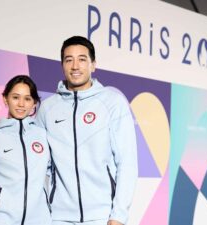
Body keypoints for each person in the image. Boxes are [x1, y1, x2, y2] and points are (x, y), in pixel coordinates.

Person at [36, 36, 138, 225]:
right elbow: (38, 165)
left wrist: (118, 216)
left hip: (102, 217)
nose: (75, 66)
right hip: (58, 218)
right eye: (69, 60)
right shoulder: (47, 109)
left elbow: (127, 163)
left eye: (82, 59)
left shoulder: (112, 103)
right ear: (62, 65)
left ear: (93, 65)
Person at [0, 75, 51, 225]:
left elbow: (56, 178)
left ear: (34, 104)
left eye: (27, 99)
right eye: (15, 97)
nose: (21, 104)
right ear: (5, 99)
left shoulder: (43, 137)